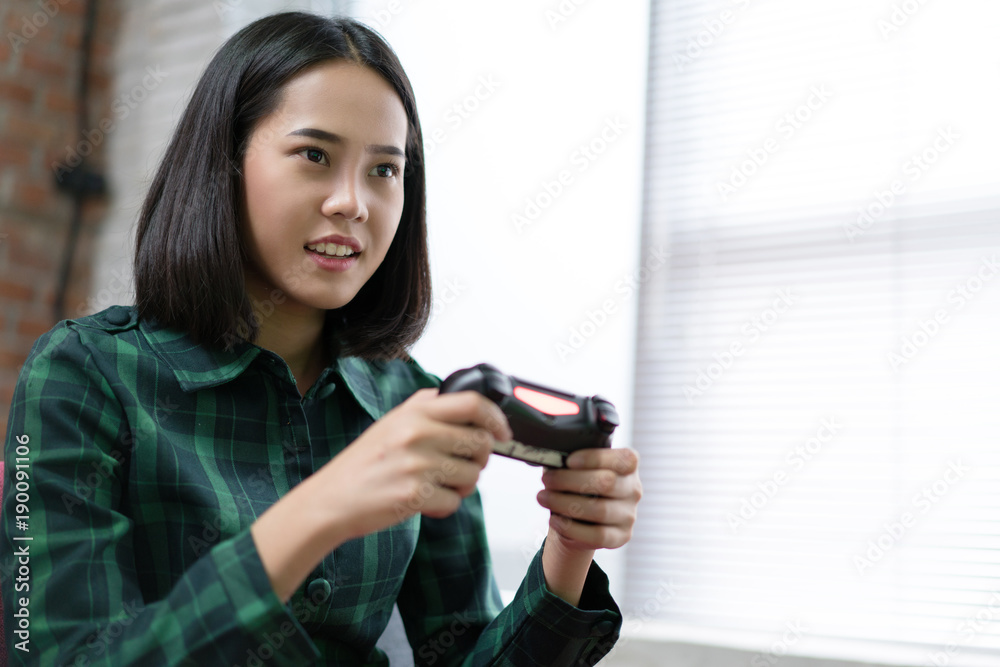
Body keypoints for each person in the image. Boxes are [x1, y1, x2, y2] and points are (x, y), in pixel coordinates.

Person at [1, 11, 642, 666]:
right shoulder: (84, 375)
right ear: (225, 164)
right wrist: (322, 509)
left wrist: (568, 548)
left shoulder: (414, 401)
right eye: (314, 155)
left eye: (384, 170)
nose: (353, 203)